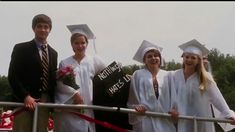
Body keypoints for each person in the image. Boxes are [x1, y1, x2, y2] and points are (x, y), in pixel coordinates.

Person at [8, 14, 58, 132]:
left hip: (44, 102)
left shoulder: (53, 53)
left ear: (50, 29)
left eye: (46, 27)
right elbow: (13, 76)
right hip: (24, 102)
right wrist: (25, 96)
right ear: (33, 28)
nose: (43, 29)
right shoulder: (21, 49)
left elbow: (52, 79)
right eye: (39, 26)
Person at [172, 39, 235, 132]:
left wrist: (229, 115)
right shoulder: (173, 76)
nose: (189, 60)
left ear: (198, 60)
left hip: (201, 122)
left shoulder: (205, 79)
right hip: (181, 120)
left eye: (193, 58)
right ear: (183, 57)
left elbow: (217, 98)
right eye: (187, 57)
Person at [54, 24, 106, 132]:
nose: (80, 46)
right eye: (76, 43)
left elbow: (108, 76)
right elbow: (60, 85)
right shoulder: (65, 63)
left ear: (87, 44)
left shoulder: (94, 61)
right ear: (72, 45)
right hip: (70, 107)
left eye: (83, 42)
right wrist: (74, 95)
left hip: (88, 106)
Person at [127, 40, 177, 132]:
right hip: (145, 119)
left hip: (165, 119)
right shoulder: (138, 74)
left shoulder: (168, 75)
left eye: (156, 56)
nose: (153, 58)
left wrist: (174, 109)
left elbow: (174, 96)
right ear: (144, 60)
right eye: (149, 56)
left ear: (160, 58)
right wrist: (137, 107)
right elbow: (133, 98)